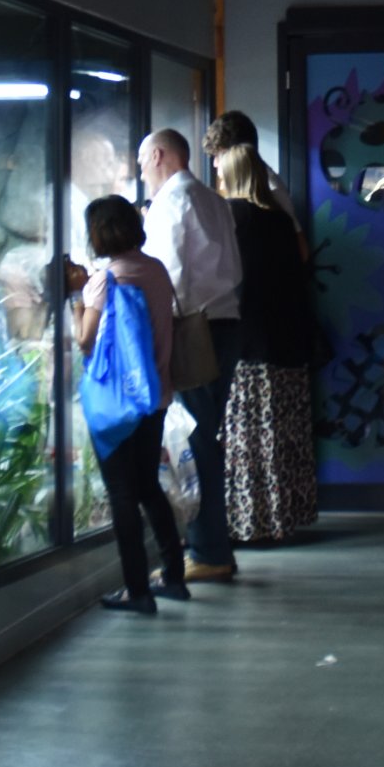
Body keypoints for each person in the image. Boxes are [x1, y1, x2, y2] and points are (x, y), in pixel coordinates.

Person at [65, 196, 189, 616]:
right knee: (148, 486)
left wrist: (76, 296)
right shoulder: (156, 270)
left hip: (117, 406)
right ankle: (173, 576)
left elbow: (85, 339)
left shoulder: (105, 280)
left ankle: (137, 590)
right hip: (156, 396)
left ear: (99, 233)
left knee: (121, 493)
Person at [140, 127, 244, 582]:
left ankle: (208, 549)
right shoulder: (213, 199)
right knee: (205, 435)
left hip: (192, 328)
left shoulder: (171, 201)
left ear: (158, 155)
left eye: (142, 163)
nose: (141, 174)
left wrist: (159, 334)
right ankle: (211, 545)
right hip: (227, 322)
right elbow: (235, 269)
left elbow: (169, 275)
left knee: (193, 440)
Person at [214, 142, 319, 543]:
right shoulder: (281, 221)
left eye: (220, 170)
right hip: (288, 340)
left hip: (247, 341)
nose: (217, 177)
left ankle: (248, 522)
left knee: (247, 435)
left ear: (232, 175)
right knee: (283, 434)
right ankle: (282, 517)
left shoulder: (230, 216)